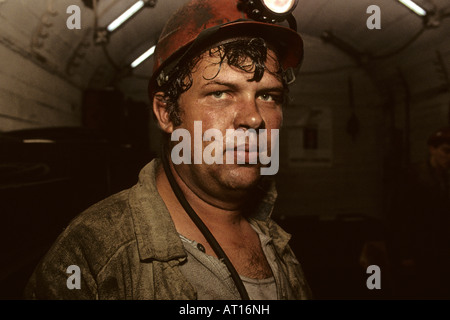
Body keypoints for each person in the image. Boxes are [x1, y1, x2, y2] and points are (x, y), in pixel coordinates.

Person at [24, 0, 311, 300]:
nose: (253, 118)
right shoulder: (93, 254)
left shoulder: (276, 241)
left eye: (267, 95)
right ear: (166, 112)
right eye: (221, 93)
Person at [388, 126, 450, 299]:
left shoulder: (444, 178)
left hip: (439, 251)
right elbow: (400, 216)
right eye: (446, 151)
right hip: (419, 250)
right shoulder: (414, 176)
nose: (449, 157)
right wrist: (404, 252)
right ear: (432, 149)